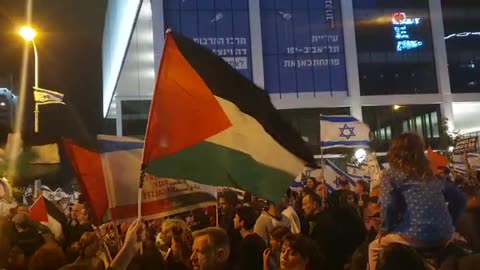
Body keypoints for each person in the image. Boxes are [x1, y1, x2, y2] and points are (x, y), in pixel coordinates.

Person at [368, 133, 467, 270]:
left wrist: (384, 230)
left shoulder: (391, 174)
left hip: (415, 235)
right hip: (445, 236)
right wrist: (450, 224)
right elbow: (460, 199)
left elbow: (388, 206)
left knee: (373, 247)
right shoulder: (431, 174)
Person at [233, 206, 265, 270]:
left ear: (242, 222)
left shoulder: (246, 244)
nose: (233, 219)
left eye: (236, 217)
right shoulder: (259, 239)